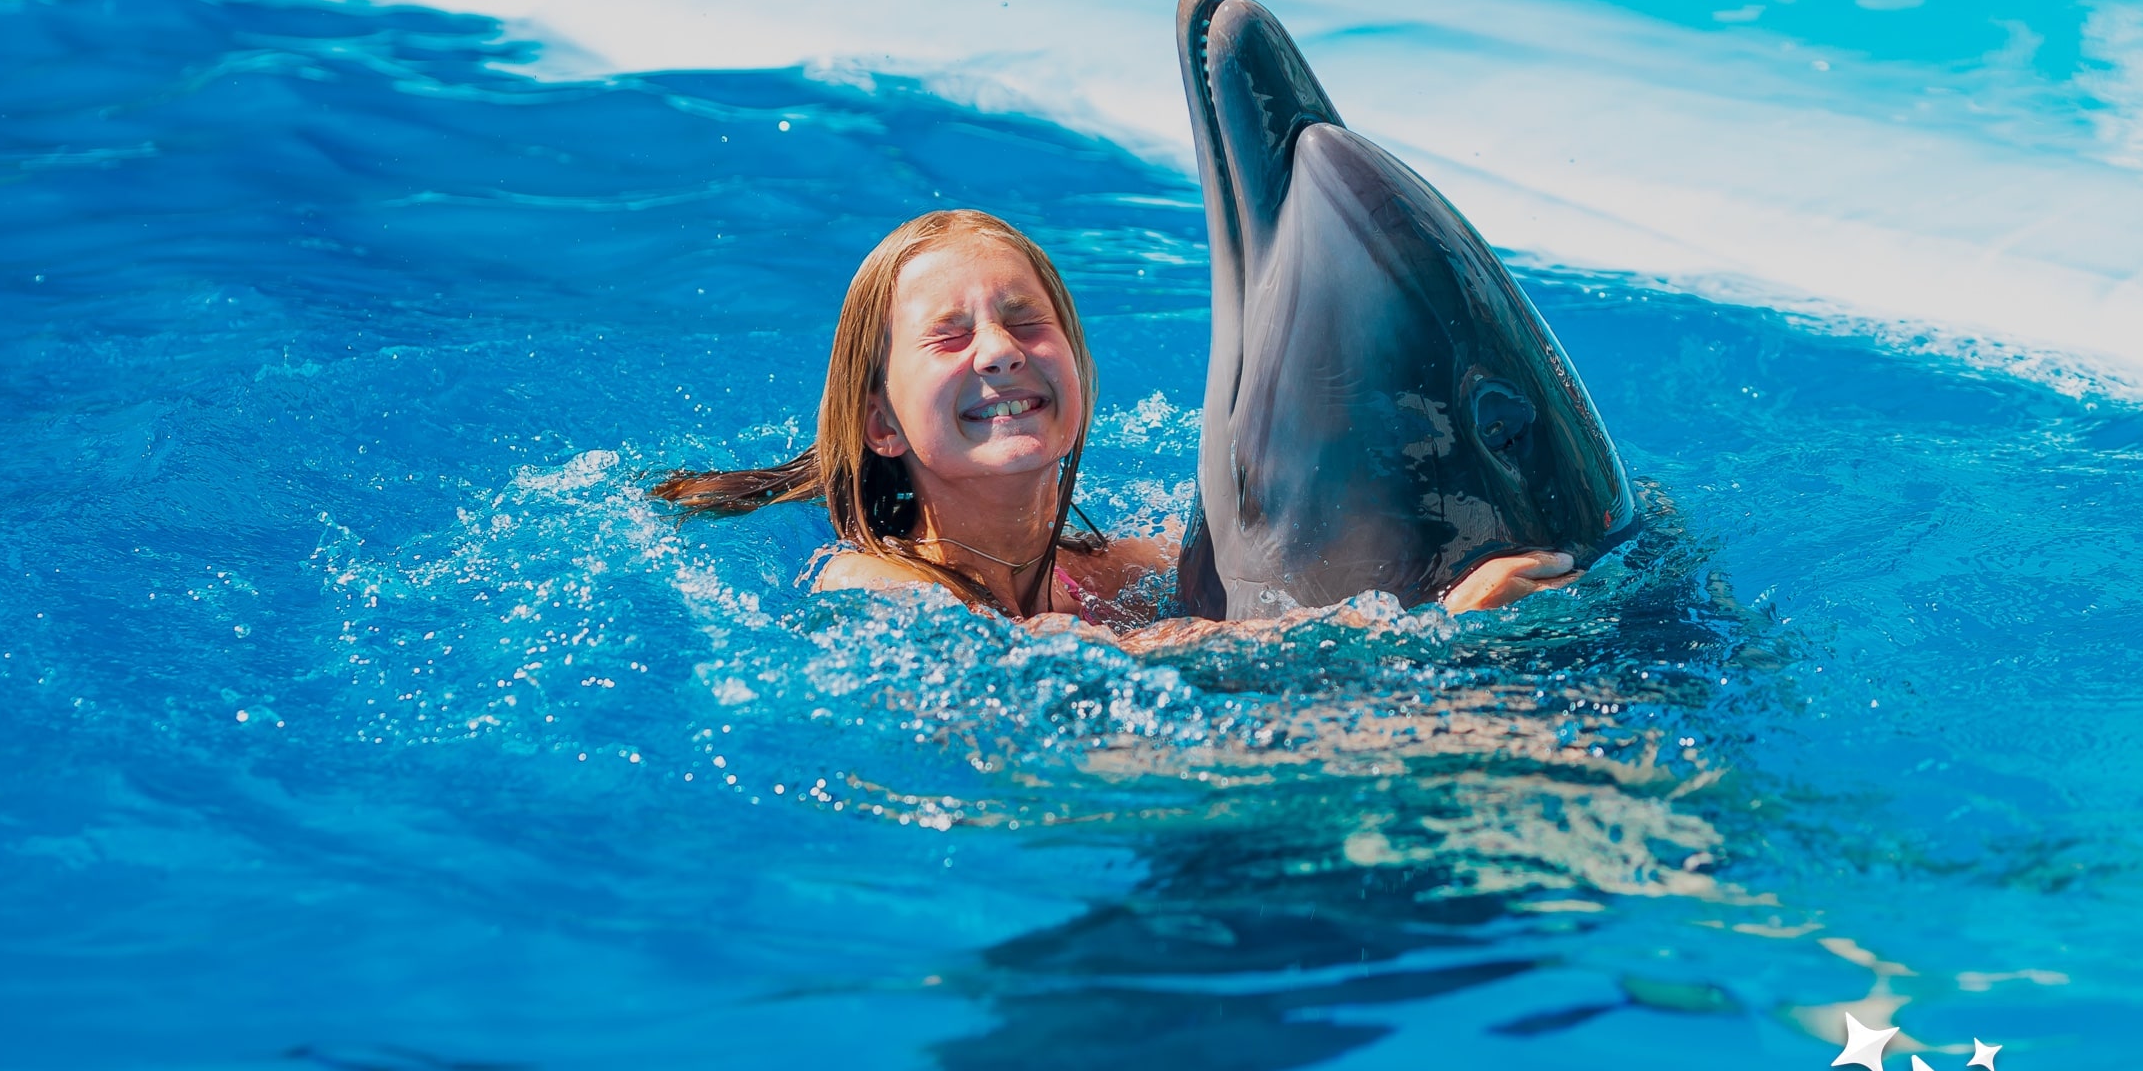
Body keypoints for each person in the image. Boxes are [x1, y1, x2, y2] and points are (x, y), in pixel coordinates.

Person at [648, 209, 1578, 629]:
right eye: (948, 337)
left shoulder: (1117, 571)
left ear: (1081, 373)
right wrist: (1430, 631)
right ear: (881, 426)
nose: (1000, 352)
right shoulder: (878, 588)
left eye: (1024, 322)